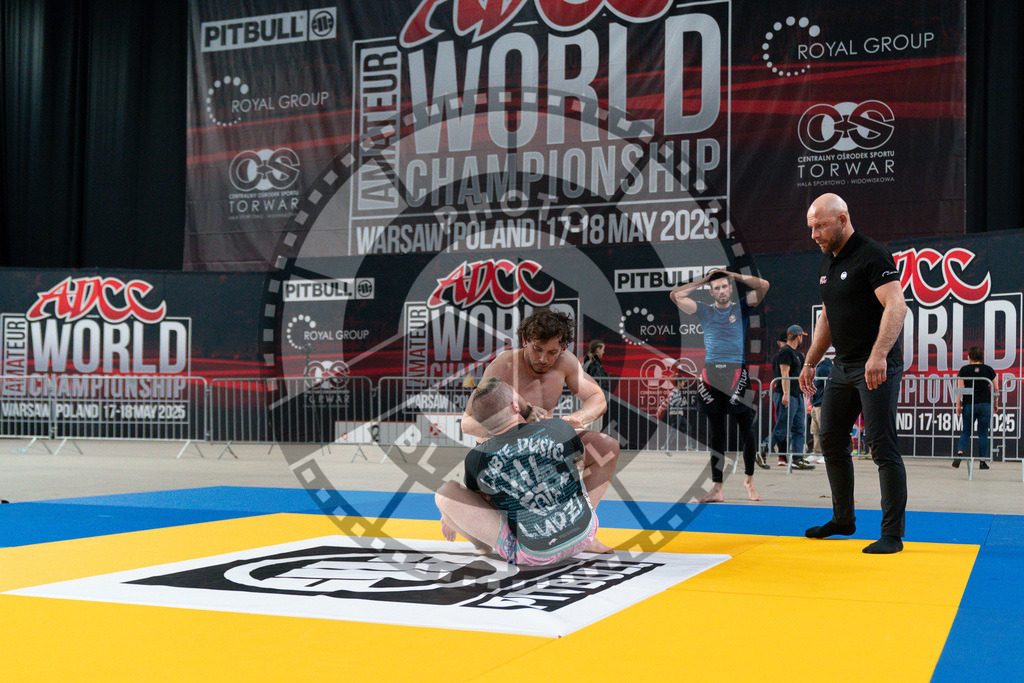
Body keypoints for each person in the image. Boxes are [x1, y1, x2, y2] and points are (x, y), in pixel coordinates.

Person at [799, 193, 909, 554]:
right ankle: (843, 519)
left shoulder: (871, 254)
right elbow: (827, 317)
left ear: (843, 219)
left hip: (875, 365)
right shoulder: (827, 261)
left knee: (881, 446)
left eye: (820, 226)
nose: (814, 234)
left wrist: (879, 354)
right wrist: (810, 361)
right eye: (811, 227)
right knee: (830, 438)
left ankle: (892, 534)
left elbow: (896, 305)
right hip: (844, 365)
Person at [437, 377, 612, 564]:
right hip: (584, 533)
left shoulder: (476, 459)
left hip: (535, 554)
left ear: (481, 423)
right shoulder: (558, 428)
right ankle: (576, 524)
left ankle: (481, 544)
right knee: (582, 457)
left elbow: (479, 501)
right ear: (515, 407)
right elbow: (578, 460)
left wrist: (448, 517)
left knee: (445, 494)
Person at [461, 308, 619, 507]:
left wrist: (575, 419)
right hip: (502, 451)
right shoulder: (504, 366)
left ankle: (584, 515)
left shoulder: (565, 362)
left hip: (542, 446)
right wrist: (513, 424)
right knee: (491, 515)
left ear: (562, 348)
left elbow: (597, 399)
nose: (543, 359)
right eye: (537, 349)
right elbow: (467, 423)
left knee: (607, 447)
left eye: (552, 352)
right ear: (525, 341)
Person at [670, 269, 770, 502]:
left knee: (747, 430)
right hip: (711, 374)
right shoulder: (705, 311)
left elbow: (764, 285)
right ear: (711, 292)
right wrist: (706, 280)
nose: (722, 291)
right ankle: (717, 488)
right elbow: (675, 295)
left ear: (730, 289)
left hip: (737, 373)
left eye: (725, 286)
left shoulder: (740, 307)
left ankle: (749, 479)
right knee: (716, 434)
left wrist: (733, 275)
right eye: (717, 288)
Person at [763, 326, 815, 469]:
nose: (802, 339)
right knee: (782, 428)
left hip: (797, 395)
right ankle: (762, 449)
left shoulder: (797, 354)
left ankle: (797, 459)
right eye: (802, 336)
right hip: (787, 395)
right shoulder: (785, 351)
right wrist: (786, 394)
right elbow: (784, 374)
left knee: (799, 429)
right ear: (798, 336)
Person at [953, 346, 999, 470]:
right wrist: (995, 402)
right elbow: (996, 388)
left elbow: (960, 389)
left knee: (966, 431)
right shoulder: (988, 369)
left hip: (969, 404)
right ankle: (982, 462)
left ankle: (960, 453)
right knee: (983, 433)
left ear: (970, 356)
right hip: (985, 404)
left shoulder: (964, 370)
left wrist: (958, 405)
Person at [805, 355, 833, 464]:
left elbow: (829, 383)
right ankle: (817, 452)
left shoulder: (824, 367)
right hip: (815, 403)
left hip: (822, 403)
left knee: (824, 430)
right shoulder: (817, 367)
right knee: (815, 430)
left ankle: (828, 454)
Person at [656, 376, 695, 453]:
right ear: (679, 383)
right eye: (683, 382)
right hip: (675, 414)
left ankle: (689, 445)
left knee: (688, 428)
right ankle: (665, 447)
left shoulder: (674, 392)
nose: (684, 384)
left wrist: (660, 408)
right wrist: (682, 403)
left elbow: (667, 401)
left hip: (679, 414)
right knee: (674, 431)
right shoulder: (675, 392)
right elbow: (673, 403)